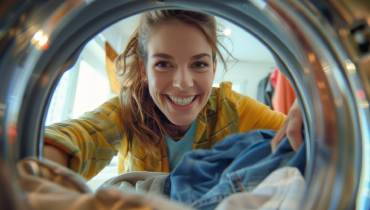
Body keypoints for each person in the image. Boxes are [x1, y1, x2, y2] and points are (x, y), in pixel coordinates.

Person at [43, 10, 304, 180]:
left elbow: (298, 139)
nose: (182, 83)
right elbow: (79, 137)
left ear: (214, 68)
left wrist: (308, 113)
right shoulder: (126, 111)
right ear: (144, 71)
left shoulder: (232, 109)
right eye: (163, 64)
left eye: (199, 64)